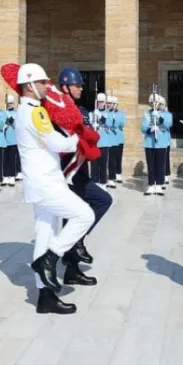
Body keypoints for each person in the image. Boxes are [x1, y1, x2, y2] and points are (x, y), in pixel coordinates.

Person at [14, 63, 94, 315]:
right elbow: (57, 142)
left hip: (40, 182)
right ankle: (50, 259)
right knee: (84, 215)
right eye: (41, 83)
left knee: (45, 233)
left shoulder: (27, 111)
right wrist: (80, 137)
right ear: (29, 85)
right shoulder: (34, 113)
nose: (46, 87)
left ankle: (45, 296)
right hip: (46, 182)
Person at [54, 68, 111, 288]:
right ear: (65, 87)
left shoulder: (83, 111)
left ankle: (72, 268)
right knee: (101, 201)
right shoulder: (57, 113)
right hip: (68, 173)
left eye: (80, 85)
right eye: (77, 85)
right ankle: (73, 248)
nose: (81, 88)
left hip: (81, 170)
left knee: (75, 217)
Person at [141, 93, 171, 195]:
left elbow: (168, 125)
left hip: (161, 142)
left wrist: (160, 119)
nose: (153, 104)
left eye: (155, 103)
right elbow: (143, 128)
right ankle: (151, 185)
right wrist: (150, 129)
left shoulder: (166, 114)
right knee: (151, 165)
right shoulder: (146, 114)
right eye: (152, 103)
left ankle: (159, 184)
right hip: (149, 143)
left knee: (160, 164)